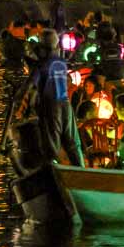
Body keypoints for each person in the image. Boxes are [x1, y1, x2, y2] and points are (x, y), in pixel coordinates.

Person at [32, 29, 85, 167]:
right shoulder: (61, 62)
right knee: (73, 143)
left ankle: (53, 172)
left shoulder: (41, 65)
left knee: (51, 143)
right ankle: (81, 169)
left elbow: (31, 85)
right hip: (65, 104)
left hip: (51, 106)